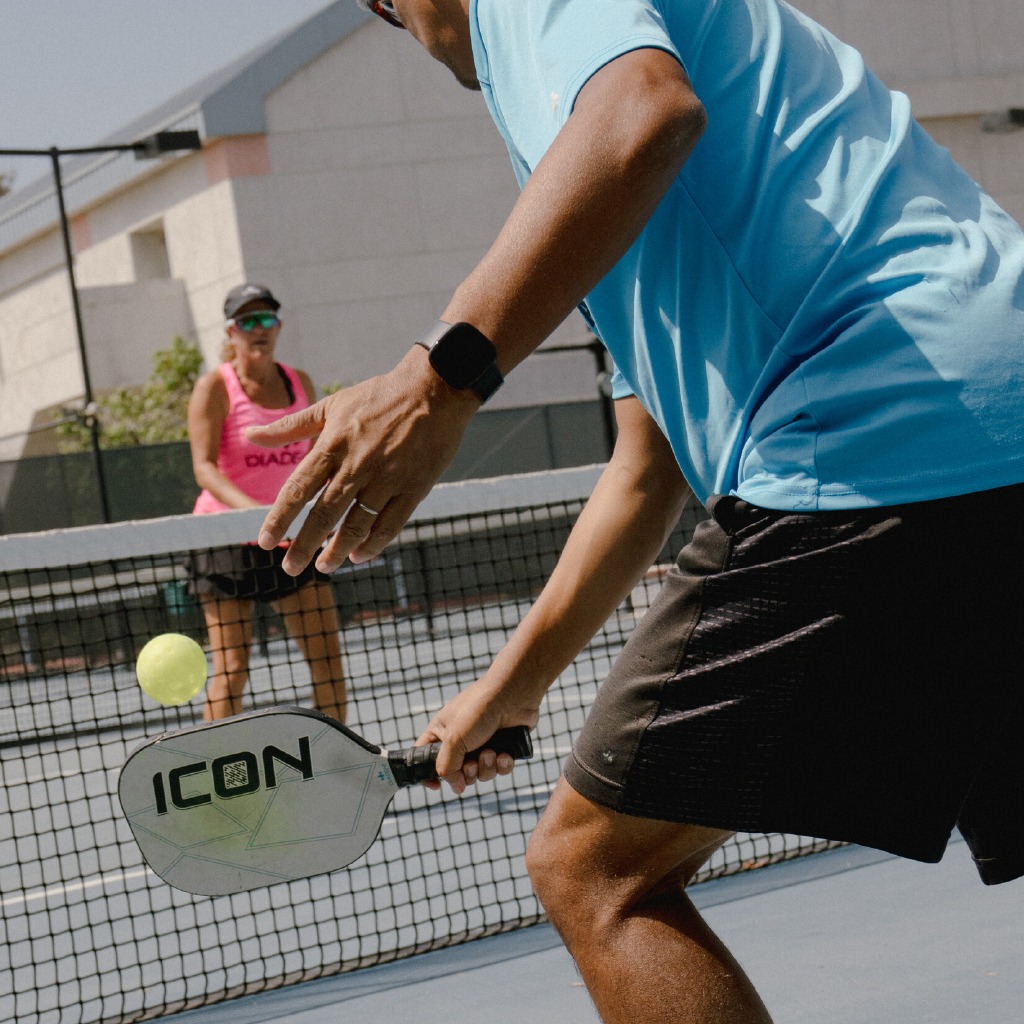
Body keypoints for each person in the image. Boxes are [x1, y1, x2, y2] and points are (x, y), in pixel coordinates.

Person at [248, 2, 1024, 1020]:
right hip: (992, 399)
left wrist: (437, 381)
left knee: (594, 871)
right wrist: (511, 686)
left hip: (873, 421)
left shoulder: (552, 46)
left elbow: (644, 112)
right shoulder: (599, 163)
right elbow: (645, 475)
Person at [187, 283, 347, 723]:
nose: (258, 329)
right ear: (230, 332)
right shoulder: (213, 387)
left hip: (291, 540)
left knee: (329, 670)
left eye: (266, 319)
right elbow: (204, 467)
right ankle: (215, 777)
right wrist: (256, 515)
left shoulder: (301, 382)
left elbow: (320, 457)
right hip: (226, 542)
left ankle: (335, 771)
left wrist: (324, 510)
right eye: (247, 321)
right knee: (233, 670)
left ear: (277, 326)